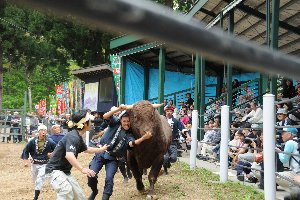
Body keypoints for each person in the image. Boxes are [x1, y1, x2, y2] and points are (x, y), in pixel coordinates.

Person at [87, 104, 152, 200]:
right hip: (100, 153)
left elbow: (131, 143)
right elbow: (105, 116)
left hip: (113, 158)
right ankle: (94, 191)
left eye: (128, 121)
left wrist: (143, 138)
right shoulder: (114, 123)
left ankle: (105, 197)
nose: (126, 123)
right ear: (120, 120)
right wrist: (118, 109)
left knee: (109, 179)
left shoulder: (130, 133)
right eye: (124, 121)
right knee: (91, 174)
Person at [45, 110, 109, 200]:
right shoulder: (73, 137)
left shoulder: (77, 136)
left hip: (64, 172)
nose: (92, 123)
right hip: (54, 170)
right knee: (66, 191)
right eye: (90, 121)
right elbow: (69, 155)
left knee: (79, 196)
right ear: (85, 124)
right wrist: (82, 169)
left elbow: (87, 149)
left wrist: (101, 149)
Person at [21, 124, 56, 200]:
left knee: (40, 178)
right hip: (34, 164)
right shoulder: (32, 141)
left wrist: (52, 154)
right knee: (35, 179)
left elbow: (57, 150)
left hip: (45, 164)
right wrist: (25, 161)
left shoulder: (50, 141)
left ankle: (35, 197)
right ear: (38, 132)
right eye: (41, 130)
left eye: (45, 130)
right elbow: (26, 151)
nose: (43, 132)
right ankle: (39, 185)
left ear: (46, 132)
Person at [163, 105, 188, 175]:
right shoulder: (162, 120)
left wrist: (188, 136)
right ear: (165, 112)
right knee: (165, 157)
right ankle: (165, 170)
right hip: (164, 142)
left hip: (173, 142)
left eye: (170, 111)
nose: (168, 112)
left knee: (174, 158)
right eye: (167, 111)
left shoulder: (176, 121)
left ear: (172, 112)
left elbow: (182, 128)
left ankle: (168, 163)